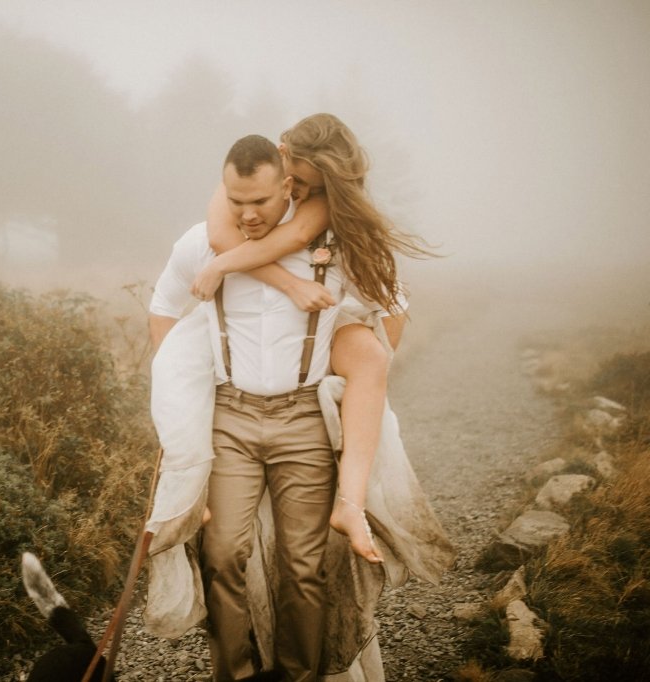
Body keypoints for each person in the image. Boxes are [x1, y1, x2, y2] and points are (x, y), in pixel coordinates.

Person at [148, 130, 403, 681]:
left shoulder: (330, 247)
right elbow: (163, 307)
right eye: (235, 202)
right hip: (230, 420)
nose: (248, 215)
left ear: (288, 186)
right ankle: (235, 675)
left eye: (260, 202)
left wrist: (362, 357)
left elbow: (393, 304)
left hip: (303, 421)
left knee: (304, 566)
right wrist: (180, 395)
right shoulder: (201, 243)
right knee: (220, 555)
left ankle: (299, 675)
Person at [186, 114, 432, 565]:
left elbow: (387, 302)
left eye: (308, 186)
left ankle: (351, 504)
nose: (296, 191)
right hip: (251, 345)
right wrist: (288, 283)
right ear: (283, 153)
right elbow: (224, 241)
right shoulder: (250, 178)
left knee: (371, 359)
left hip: (321, 326)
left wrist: (360, 377)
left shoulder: (320, 202)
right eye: (295, 180)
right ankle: (186, 494)